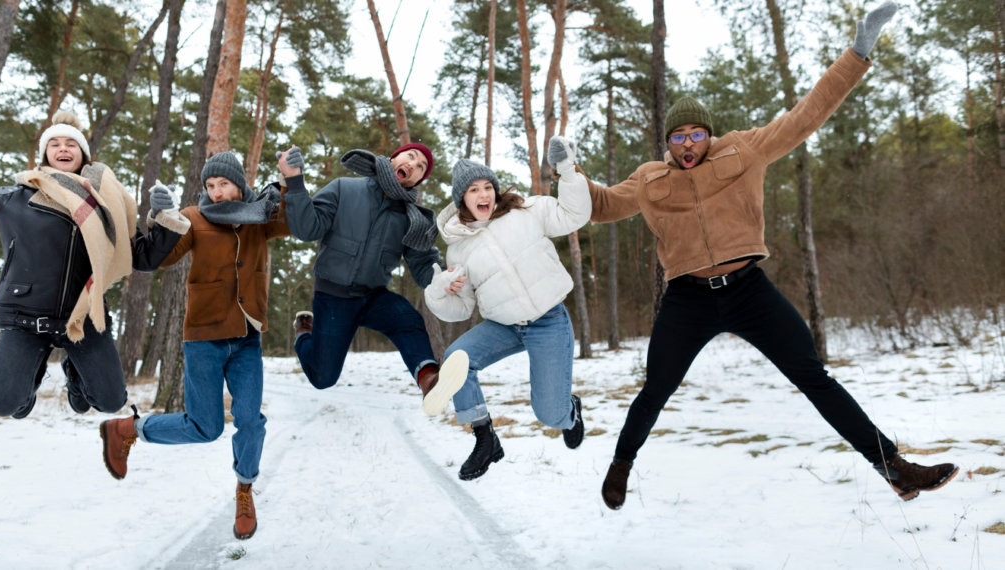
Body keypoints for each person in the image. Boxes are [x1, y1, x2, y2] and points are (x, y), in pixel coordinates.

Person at [557, 1, 959, 509]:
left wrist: (858, 52)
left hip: (748, 290)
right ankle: (621, 464)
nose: (687, 144)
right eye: (678, 136)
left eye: (696, 134)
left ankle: (893, 467)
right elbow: (597, 206)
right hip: (687, 298)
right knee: (655, 387)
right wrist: (569, 176)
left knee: (813, 377)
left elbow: (807, 114)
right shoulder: (649, 179)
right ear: (668, 141)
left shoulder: (744, 150)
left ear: (709, 133)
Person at [0, 104, 188, 418]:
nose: (63, 148)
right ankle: (28, 381)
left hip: (83, 318)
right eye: (55, 144)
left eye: (71, 143)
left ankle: (75, 375)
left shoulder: (106, 206)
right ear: (45, 154)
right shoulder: (16, 198)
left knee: (111, 401)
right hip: (25, 317)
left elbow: (142, 257)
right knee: (6, 405)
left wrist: (165, 216)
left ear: (83, 155)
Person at [99, 151, 289, 541]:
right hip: (203, 337)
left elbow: (299, 221)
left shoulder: (259, 216)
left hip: (247, 337)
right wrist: (163, 219)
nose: (217, 193)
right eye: (210, 186)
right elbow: (158, 259)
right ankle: (127, 429)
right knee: (205, 427)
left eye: (224, 184)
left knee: (251, 421)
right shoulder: (194, 217)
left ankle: (245, 489)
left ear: (240, 183)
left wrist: (290, 183)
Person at [424, 141, 589, 481]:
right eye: (473, 190)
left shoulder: (526, 211)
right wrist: (441, 291)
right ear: (461, 200)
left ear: (495, 191)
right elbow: (462, 309)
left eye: (487, 187)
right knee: (457, 358)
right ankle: (486, 439)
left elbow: (574, 215)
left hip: (548, 321)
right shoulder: (458, 248)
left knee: (550, 415)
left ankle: (569, 411)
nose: (483, 194)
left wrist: (568, 172)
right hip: (503, 325)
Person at [280, 142, 468, 416]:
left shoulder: (411, 218)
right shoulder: (344, 188)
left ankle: (429, 380)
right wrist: (295, 181)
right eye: (411, 157)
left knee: (408, 319)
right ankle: (304, 332)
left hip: (373, 296)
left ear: (418, 180)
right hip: (333, 297)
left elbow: (423, 264)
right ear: (395, 157)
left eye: (420, 168)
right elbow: (307, 228)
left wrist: (442, 280)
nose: (413, 166)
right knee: (323, 378)